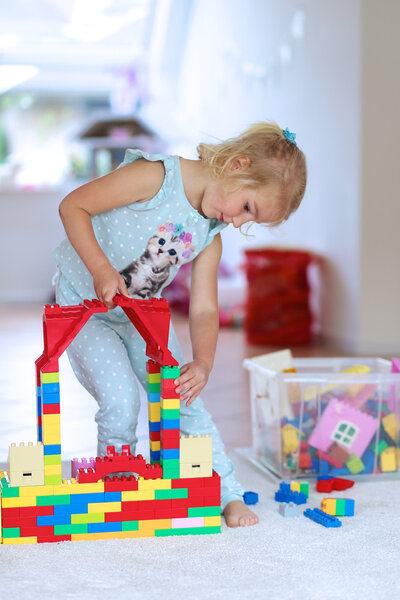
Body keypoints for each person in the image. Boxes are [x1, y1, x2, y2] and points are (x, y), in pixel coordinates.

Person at [54, 122, 307, 527]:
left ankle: (228, 493)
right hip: (85, 309)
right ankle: (116, 488)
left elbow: (205, 308)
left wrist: (203, 363)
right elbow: (73, 206)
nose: (241, 223)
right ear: (238, 166)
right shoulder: (154, 176)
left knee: (183, 397)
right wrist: (101, 268)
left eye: (251, 220)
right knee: (122, 400)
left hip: (142, 315)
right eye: (247, 208)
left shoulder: (210, 232)